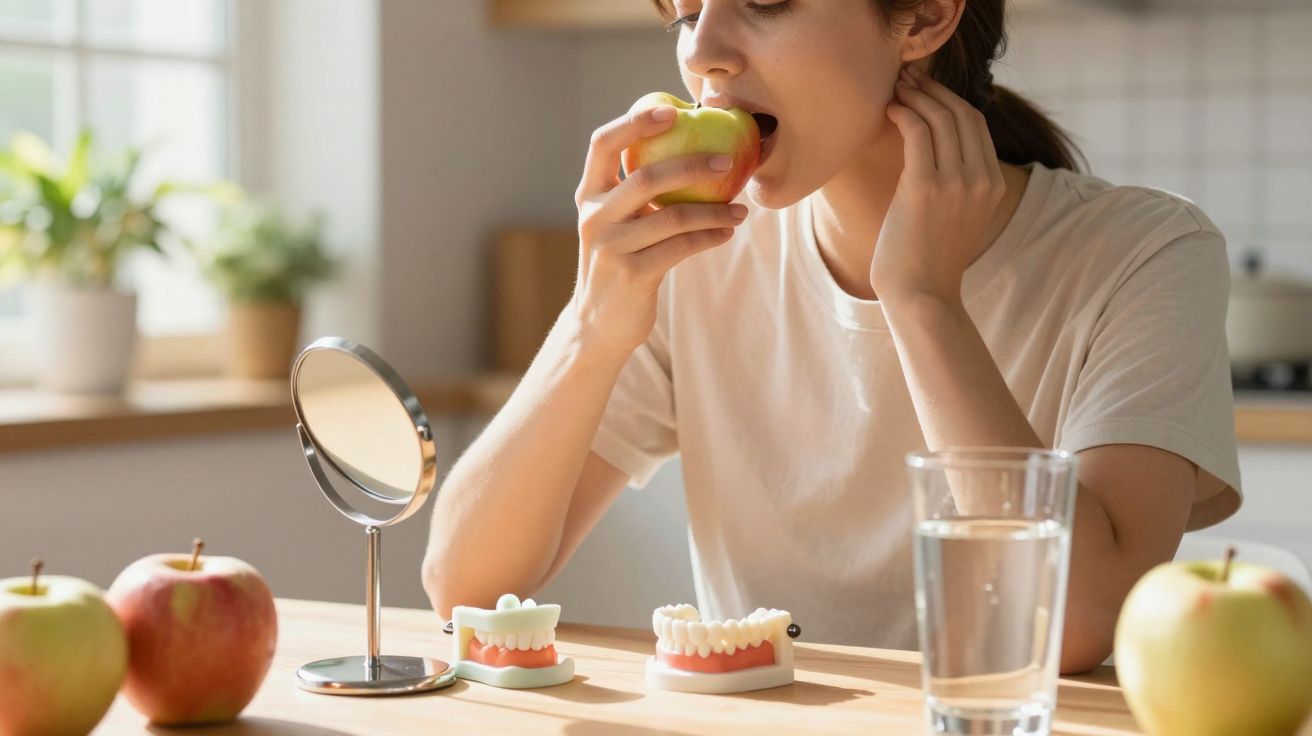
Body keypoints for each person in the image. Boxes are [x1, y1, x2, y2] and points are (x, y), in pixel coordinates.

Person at [423, 0, 1242, 674]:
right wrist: (591, 328)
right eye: (683, 11)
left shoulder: (1144, 253)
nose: (702, 52)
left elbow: (1074, 628)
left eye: (765, 2)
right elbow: (466, 584)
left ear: (923, 17)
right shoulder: (699, 250)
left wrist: (922, 300)